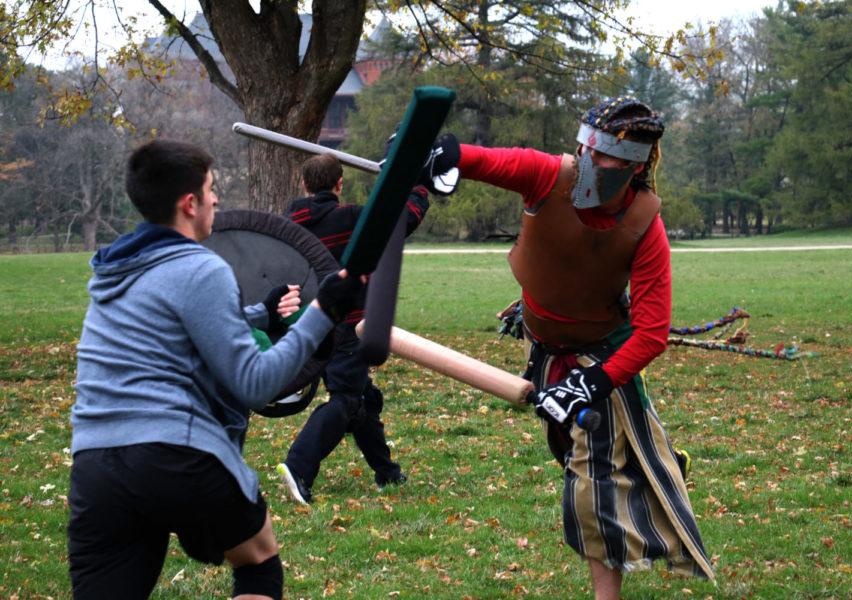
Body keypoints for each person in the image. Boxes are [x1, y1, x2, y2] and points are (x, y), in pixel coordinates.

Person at [423, 97, 715, 599]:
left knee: (593, 483)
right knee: (573, 459)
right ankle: (647, 466)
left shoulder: (645, 223)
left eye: (611, 158)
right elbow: (492, 161)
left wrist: (592, 382)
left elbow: (651, 330)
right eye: (590, 150)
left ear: (637, 164)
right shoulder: (549, 176)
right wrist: (445, 154)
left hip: (601, 358)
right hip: (546, 349)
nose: (594, 163)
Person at [67, 139, 365, 600]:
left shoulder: (114, 277)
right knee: (258, 563)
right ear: (190, 204)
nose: (217, 199)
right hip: (176, 455)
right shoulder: (201, 267)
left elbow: (180, 323)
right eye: (211, 189)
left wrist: (262, 313)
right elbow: (256, 383)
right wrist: (323, 309)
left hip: (95, 467)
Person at [277, 153, 429, 504]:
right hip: (347, 326)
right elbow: (400, 221)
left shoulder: (288, 226)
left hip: (309, 329)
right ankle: (298, 467)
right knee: (346, 399)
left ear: (304, 185)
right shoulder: (350, 219)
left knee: (364, 400)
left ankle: (387, 474)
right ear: (339, 184)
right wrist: (418, 184)